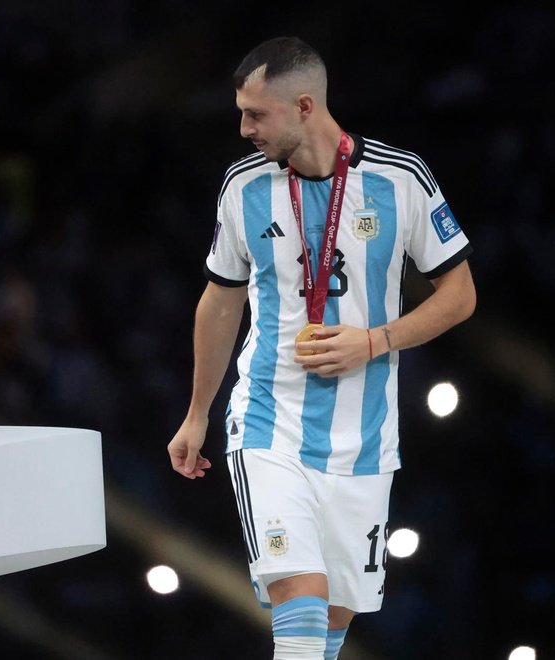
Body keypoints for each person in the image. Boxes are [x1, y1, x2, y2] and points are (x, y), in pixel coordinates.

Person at [167, 37, 476, 659]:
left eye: (257, 114)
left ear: (304, 105)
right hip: (268, 422)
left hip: (364, 440)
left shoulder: (400, 179)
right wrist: (199, 410)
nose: (244, 128)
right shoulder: (242, 187)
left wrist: (374, 341)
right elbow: (220, 301)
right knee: (301, 606)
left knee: (330, 626)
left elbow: (460, 295)